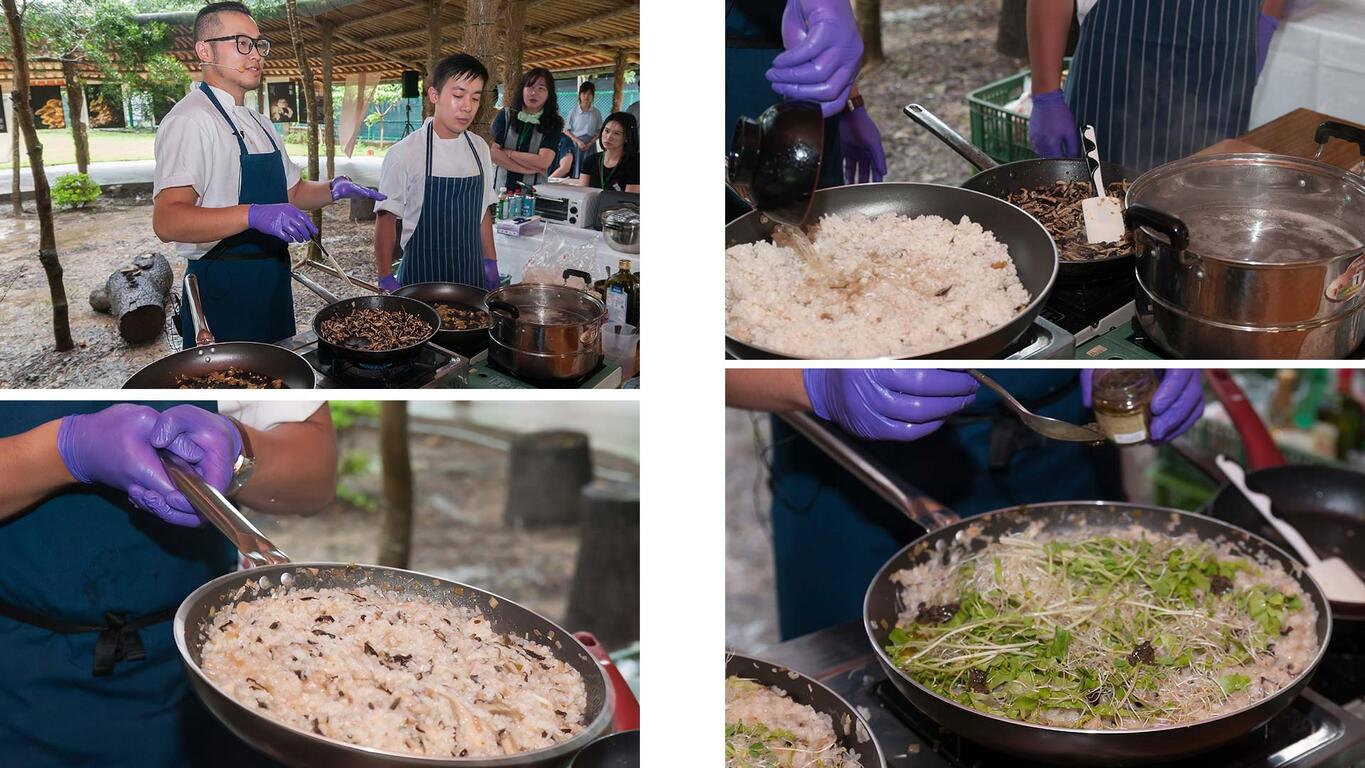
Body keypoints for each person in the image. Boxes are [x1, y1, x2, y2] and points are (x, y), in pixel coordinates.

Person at [726, 368, 1205, 639]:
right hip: (855, 470)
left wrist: (1142, 349)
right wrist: (811, 381)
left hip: (1055, 449)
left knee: (1091, 630)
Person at [0, 400, 337, 767]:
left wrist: (239, 449)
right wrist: (64, 450)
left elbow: (315, 478)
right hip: (22, 679)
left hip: (219, 660)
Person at [152, 2, 384, 348]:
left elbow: (292, 191)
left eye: (259, 44)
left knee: (279, 372)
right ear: (204, 50)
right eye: (241, 43)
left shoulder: (259, 121)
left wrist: (335, 189)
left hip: (272, 279)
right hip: (224, 285)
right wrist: (253, 214)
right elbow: (168, 220)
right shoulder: (191, 120)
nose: (256, 54)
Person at [1027, 0, 1283, 172]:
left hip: (1223, 70)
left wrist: (1264, 26)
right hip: (1117, 78)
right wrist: (1046, 94)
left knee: (1212, 210)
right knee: (1103, 228)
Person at [726, 0, 887, 223]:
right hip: (740, 66)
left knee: (821, 217)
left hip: (802, 76)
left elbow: (825, 41)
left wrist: (849, 99)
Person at [373, 53, 500, 292]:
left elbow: (483, 212)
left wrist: (490, 262)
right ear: (435, 95)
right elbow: (386, 219)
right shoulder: (404, 154)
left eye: (475, 98)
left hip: (470, 275)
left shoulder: (479, 148)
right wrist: (385, 276)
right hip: (421, 277)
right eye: (458, 95)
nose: (467, 106)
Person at [491, 67, 565, 193]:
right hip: (501, 191)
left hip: (534, 193)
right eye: (529, 87)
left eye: (541, 88)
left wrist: (509, 153)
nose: (533, 93)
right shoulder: (505, 115)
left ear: (549, 94)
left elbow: (543, 162)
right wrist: (527, 169)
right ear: (522, 90)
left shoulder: (554, 122)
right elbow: (492, 152)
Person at [577, 112, 640, 193]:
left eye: (617, 133)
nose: (609, 137)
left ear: (627, 138)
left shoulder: (636, 163)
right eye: (607, 131)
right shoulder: (590, 161)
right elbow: (581, 194)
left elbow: (629, 201)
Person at [563, 81, 603, 166]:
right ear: (580, 95)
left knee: (589, 167)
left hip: (590, 145)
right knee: (576, 168)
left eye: (589, 94)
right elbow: (566, 130)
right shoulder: (573, 111)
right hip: (576, 144)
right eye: (584, 93)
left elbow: (600, 131)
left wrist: (589, 144)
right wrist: (578, 142)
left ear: (593, 96)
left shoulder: (596, 112)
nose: (586, 96)